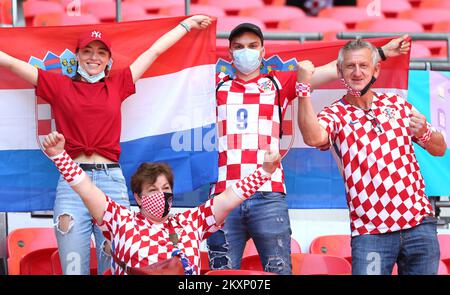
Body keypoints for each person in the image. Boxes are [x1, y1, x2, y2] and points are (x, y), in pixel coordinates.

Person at [0, 15, 212, 274]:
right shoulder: (58, 85)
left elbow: (154, 51)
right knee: (73, 268)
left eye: (101, 52)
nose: (93, 57)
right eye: (87, 51)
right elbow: (10, 63)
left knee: (113, 267)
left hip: (111, 182)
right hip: (72, 183)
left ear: (109, 59)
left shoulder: (117, 84)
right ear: (77, 56)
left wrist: (185, 26)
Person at [207, 22, 410, 274]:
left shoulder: (278, 82)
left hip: (268, 194)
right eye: (238, 47)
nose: (245, 52)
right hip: (224, 194)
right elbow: (178, 78)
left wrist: (381, 53)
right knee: (221, 275)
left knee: (278, 272)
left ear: (262, 51)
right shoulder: (215, 84)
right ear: (229, 53)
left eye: (252, 46)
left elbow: (336, 70)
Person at [296, 38, 446, 275]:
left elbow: (440, 149)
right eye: (350, 66)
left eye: (364, 65)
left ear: (376, 69)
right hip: (371, 231)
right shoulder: (335, 113)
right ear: (340, 72)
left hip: (419, 226)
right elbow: (314, 138)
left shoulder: (397, 105)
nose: (357, 72)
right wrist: (303, 90)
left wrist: (425, 131)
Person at [41, 130, 281, 275]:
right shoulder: (119, 219)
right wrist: (59, 156)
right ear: (137, 197)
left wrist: (264, 172)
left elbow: (229, 198)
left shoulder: (192, 221)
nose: (161, 195)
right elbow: (86, 189)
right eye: (153, 190)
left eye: (166, 189)